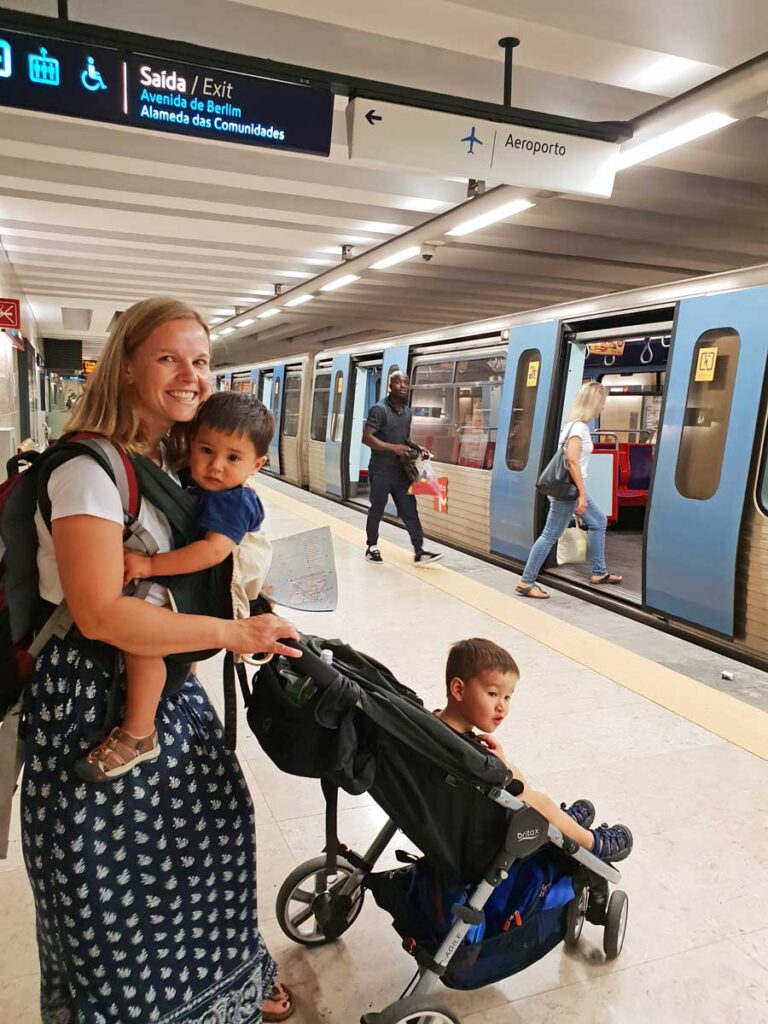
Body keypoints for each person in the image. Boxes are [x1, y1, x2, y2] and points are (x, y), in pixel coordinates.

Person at [23, 298, 299, 1023]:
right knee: (109, 898)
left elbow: (206, 555)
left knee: (212, 846)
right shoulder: (88, 471)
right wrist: (232, 636)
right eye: (169, 358)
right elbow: (98, 611)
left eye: (201, 360)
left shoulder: (171, 457)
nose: (190, 375)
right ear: (129, 366)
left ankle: (225, 991)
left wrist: (252, 605)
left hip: (165, 690)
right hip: (94, 705)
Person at [74, 390, 274, 783]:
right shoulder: (205, 485)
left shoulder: (232, 502)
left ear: (258, 464)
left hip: (211, 586)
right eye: (205, 451)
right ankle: (181, 683)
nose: (215, 466)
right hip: (202, 587)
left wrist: (150, 564)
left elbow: (211, 552)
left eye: (233, 458)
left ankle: (138, 731)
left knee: (142, 642)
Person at [436, 638, 633, 862]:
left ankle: (559, 821)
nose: (502, 706)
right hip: (475, 840)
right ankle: (592, 842)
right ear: (459, 689)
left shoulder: (433, 728)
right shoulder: (462, 753)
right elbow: (508, 786)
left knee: (512, 773)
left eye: (507, 697)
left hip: (451, 821)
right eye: (492, 694)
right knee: (537, 801)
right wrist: (499, 769)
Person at [516, 381, 623, 599]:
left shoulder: (573, 425)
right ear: (593, 403)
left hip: (571, 490)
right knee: (549, 534)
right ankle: (526, 581)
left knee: (599, 522)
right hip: (569, 491)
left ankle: (599, 572)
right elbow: (572, 462)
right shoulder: (579, 428)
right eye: (601, 402)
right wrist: (582, 494)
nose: (602, 407)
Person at [362, 370, 442, 566]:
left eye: (406, 383)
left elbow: (404, 439)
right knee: (377, 509)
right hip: (381, 470)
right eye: (399, 383)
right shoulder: (378, 410)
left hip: (401, 471)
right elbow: (367, 438)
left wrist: (417, 448)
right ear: (391, 385)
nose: (403, 386)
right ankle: (371, 547)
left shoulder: (407, 413)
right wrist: (394, 448)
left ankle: (419, 551)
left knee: (409, 510)